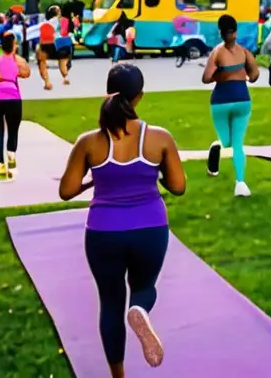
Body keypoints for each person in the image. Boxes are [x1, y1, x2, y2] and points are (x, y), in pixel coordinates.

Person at [59, 64, 187, 378]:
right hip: (149, 229)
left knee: (110, 302)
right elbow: (179, 187)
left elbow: (66, 190)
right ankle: (140, 310)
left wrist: (93, 181)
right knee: (144, 288)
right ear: (139, 96)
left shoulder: (89, 142)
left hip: (103, 232)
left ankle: (118, 375)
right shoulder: (159, 138)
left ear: (108, 92)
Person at [202, 15, 259, 197]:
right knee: (233, 143)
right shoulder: (243, 52)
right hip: (238, 99)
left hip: (225, 101)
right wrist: (240, 75)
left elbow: (206, 78)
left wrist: (223, 74)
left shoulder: (218, 53)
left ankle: (239, 180)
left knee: (232, 143)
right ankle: (238, 180)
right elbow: (255, 75)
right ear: (235, 32)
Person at [0, 32, 31, 181]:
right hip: (13, 99)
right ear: (14, 46)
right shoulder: (18, 61)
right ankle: (11, 158)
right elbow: (26, 73)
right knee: (13, 131)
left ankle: (1, 167)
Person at [37, 6, 70, 91]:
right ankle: (65, 77)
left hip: (48, 45)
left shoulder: (45, 23)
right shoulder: (63, 20)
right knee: (62, 61)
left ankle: (47, 82)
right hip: (61, 44)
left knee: (41, 61)